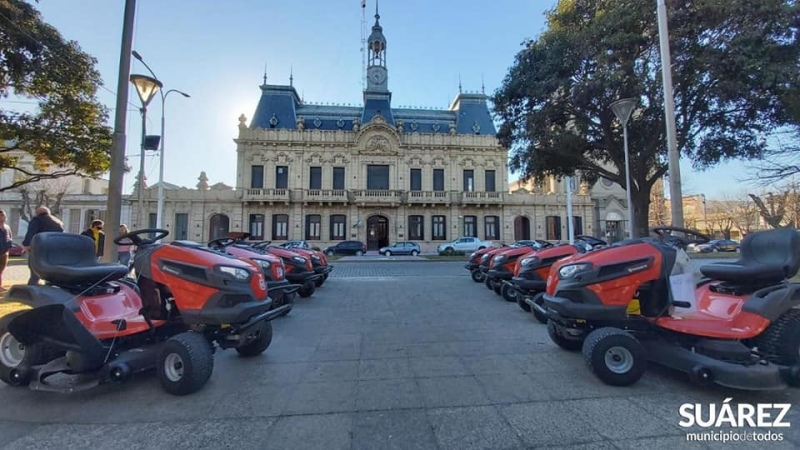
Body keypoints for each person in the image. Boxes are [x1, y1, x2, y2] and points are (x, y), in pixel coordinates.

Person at [22, 206, 64, 285]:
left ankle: (32, 287)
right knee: (50, 271)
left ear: (37, 213)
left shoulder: (37, 220)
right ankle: (49, 286)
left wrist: (26, 245)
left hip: (39, 249)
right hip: (53, 251)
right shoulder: (58, 223)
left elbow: (31, 233)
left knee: (34, 271)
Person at [0, 209, 12, 292]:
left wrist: (9, 246)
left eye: (3, 215)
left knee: (1, 270)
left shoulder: (7, 227)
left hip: (4, 253)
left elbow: (10, 237)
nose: (2, 217)